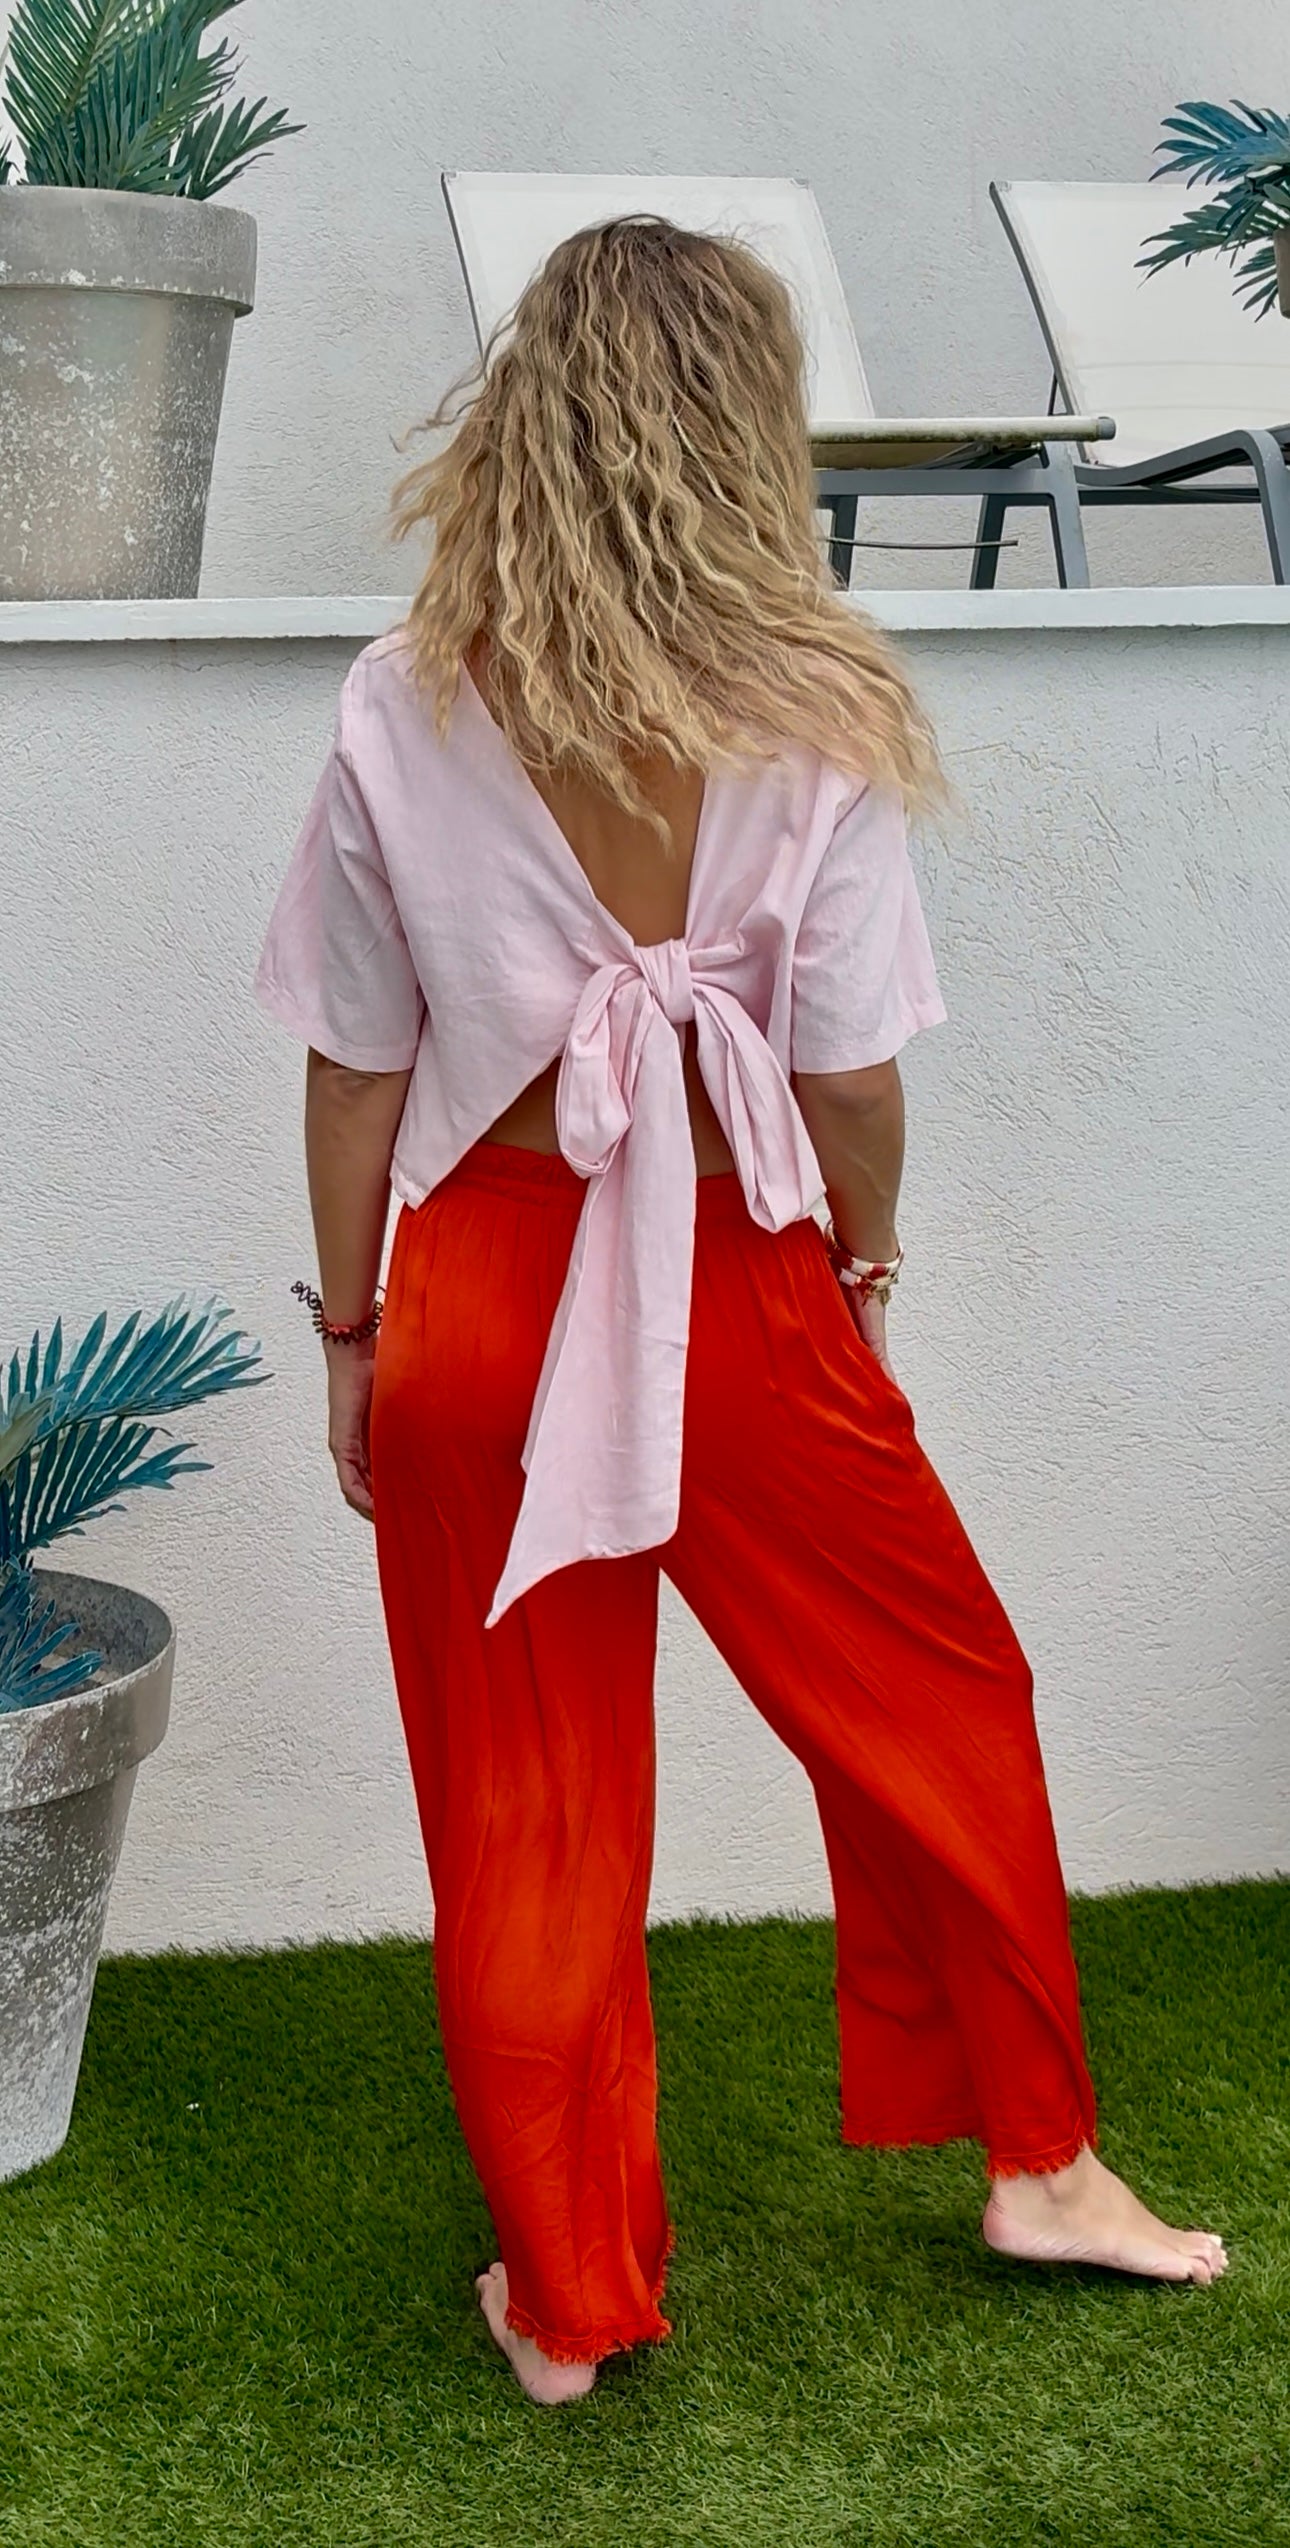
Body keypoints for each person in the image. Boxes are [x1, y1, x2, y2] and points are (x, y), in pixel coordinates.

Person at [252, 215, 1226, 2408]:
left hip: (482, 1289)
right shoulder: (818, 701)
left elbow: (352, 1060)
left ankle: (565, 2302)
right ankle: (1043, 2160)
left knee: (524, 1798)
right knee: (942, 1697)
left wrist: (355, 1332)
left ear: (525, 420)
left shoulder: (403, 695)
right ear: (742, 430)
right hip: (742, 1274)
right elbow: (851, 1078)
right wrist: (860, 1268)